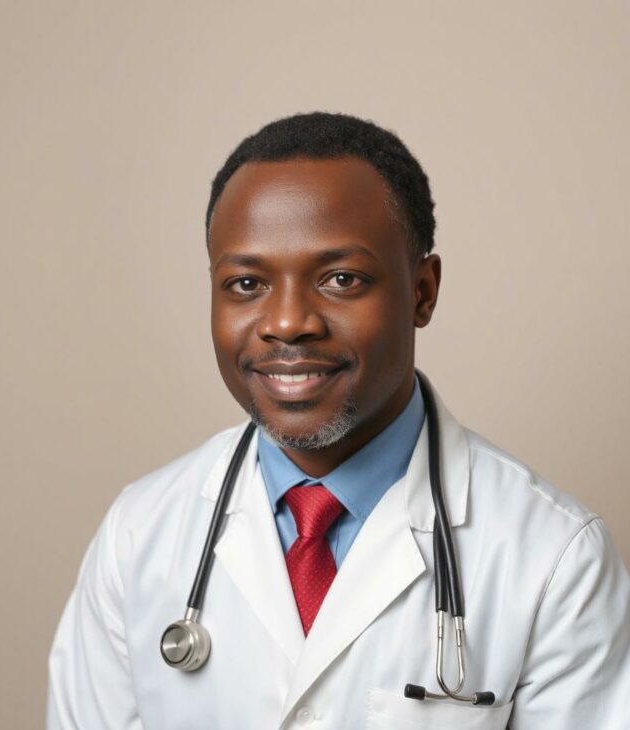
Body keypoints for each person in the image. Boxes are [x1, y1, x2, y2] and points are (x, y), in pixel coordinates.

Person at [47, 112, 630, 729]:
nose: (288, 322)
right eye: (246, 283)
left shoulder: (553, 557)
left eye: (341, 279)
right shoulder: (138, 535)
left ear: (423, 291)